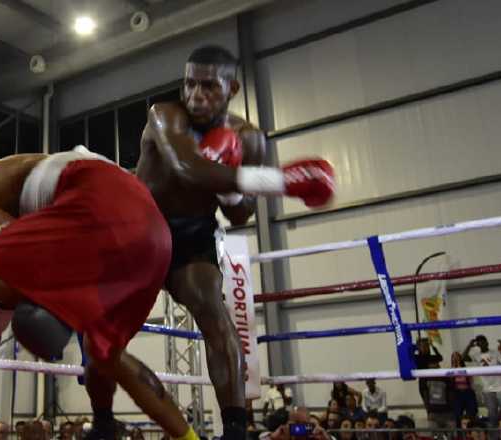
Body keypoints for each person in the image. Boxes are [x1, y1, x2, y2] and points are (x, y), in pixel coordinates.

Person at [0, 149, 207, 440]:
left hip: (98, 199)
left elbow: (19, 250)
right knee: (106, 354)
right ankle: (189, 437)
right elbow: (22, 257)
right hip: (150, 240)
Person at [97, 44, 335, 440]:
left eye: (208, 86)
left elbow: (241, 216)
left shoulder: (250, 138)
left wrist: (230, 191)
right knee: (103, 327)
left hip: (193, 233)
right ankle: (102, 422)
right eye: (190, 84)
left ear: (233, 88)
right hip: (140, 228)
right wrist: (278, 181)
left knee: (214, 312)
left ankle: (236, 430)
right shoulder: (165, 115)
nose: (195, 95)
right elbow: (187, 168)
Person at [463, 336, 501, 432]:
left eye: (483, 342)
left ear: (487, 342)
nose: (482, 344)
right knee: (492, 415)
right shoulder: (476, 355)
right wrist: (469, 345)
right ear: (477, 345)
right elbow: (464, 357)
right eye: (479, 343)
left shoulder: (495, 352)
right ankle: (494, 436)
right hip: (488, 389)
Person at [451, 352, 479, 425]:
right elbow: (450, 382)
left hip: (467, 392)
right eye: (453, 357)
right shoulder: (450, 370)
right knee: (457, 414)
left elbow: (471, 381)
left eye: (457, 356)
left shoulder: (466, 368)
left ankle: (472, 430)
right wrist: (454, 367)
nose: (455, 358)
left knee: (471, 413)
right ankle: (460, 434)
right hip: (457, 393)